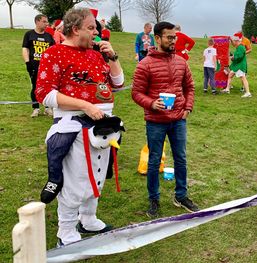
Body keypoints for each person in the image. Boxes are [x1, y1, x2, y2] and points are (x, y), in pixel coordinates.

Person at [35, 7, 124, 246]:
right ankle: (66, 231)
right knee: (75, 180)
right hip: (73, 126)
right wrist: (84, 105)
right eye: (91, 28)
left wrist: (112, 57)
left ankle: (88, 218)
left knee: (97, 174)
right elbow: (44, 93)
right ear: (75, 29)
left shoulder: (96, 54)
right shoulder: (54, 54)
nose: (97, 33)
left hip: (103, 127)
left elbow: (118, 83)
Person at [132, 21, 199, 218]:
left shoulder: (181, 62)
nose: (174, 41)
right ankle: (154, 199)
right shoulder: (145, 64)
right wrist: (152, 103)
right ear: (158, 38)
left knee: (181, 158)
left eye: (175, 37)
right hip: (155, 121)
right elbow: (136, 93)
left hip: (178, 119)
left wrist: (187, 107)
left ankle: (181, 195)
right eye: (170, 37)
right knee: (153, 161)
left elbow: (190, 87)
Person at [22, 14, 55, 117]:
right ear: (37, 21)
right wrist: (28, 63)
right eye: (44, 21)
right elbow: (25, 49)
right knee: (35, 87)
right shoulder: (29, 34)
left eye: (47, 21)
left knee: (48, 88)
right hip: (34, 66)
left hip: (46, 68)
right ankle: (35, 108)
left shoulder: (49, 36)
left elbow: (54, 51)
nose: (47, 24)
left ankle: (47, 108)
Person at [223, 32, 251, 98]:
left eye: (234, 41)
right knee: (230, 75)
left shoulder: (241, 47)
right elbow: (237, 54)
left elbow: (240, 56)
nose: (234, 42)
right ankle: (227, 89)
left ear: (237, 41)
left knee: (243, 78)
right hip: (237, 65)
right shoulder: (238, 47)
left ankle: (248, 93)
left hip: (240, 66)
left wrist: (233, 57)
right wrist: (233, 57)